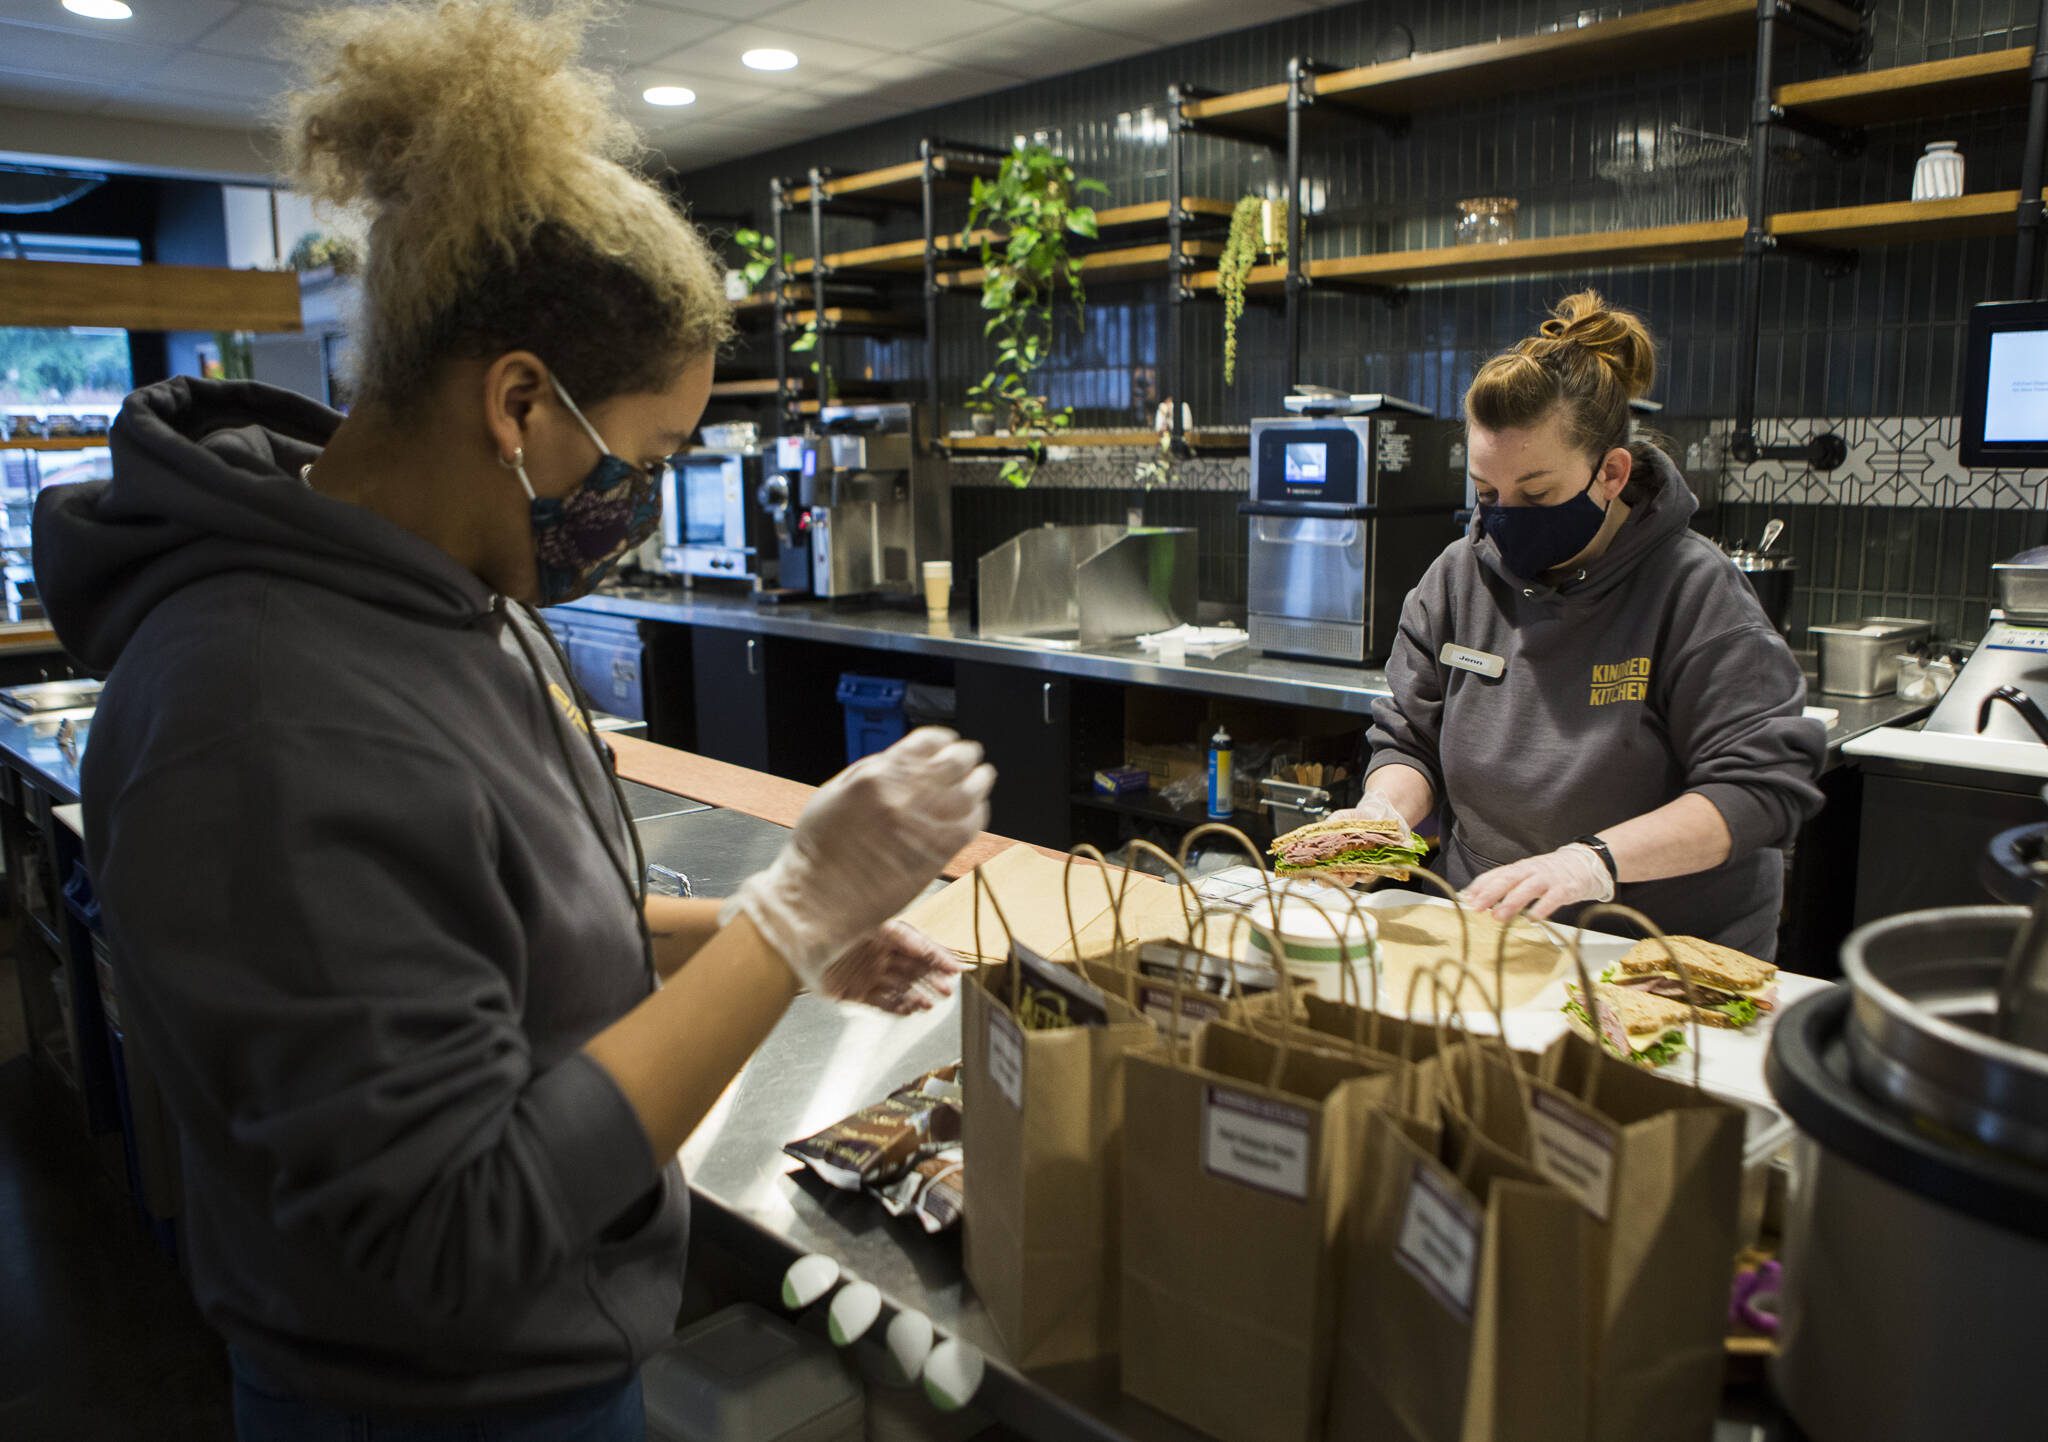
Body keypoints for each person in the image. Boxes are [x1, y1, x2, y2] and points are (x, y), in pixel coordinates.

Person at [32, 3, 991, 1438]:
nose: (644, 505)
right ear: (520, 404)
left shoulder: (457, 590)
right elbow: (456, 1231)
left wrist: (771, 944)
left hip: (565, 1356)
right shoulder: (256, 708)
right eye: (648, 455)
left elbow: (494, 936)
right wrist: (793, 910)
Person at [1350, 291, 1824, 958]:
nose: (1505, 515)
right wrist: (1383, 812)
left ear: (1611, 473)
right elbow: (1410, 742)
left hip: (1657, 956)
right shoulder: (1455, 581)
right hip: (1491, 937)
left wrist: (1592, 863)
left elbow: (1761, 789)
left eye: (1537, 493)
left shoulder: (1695, 592)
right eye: (1487, 493)